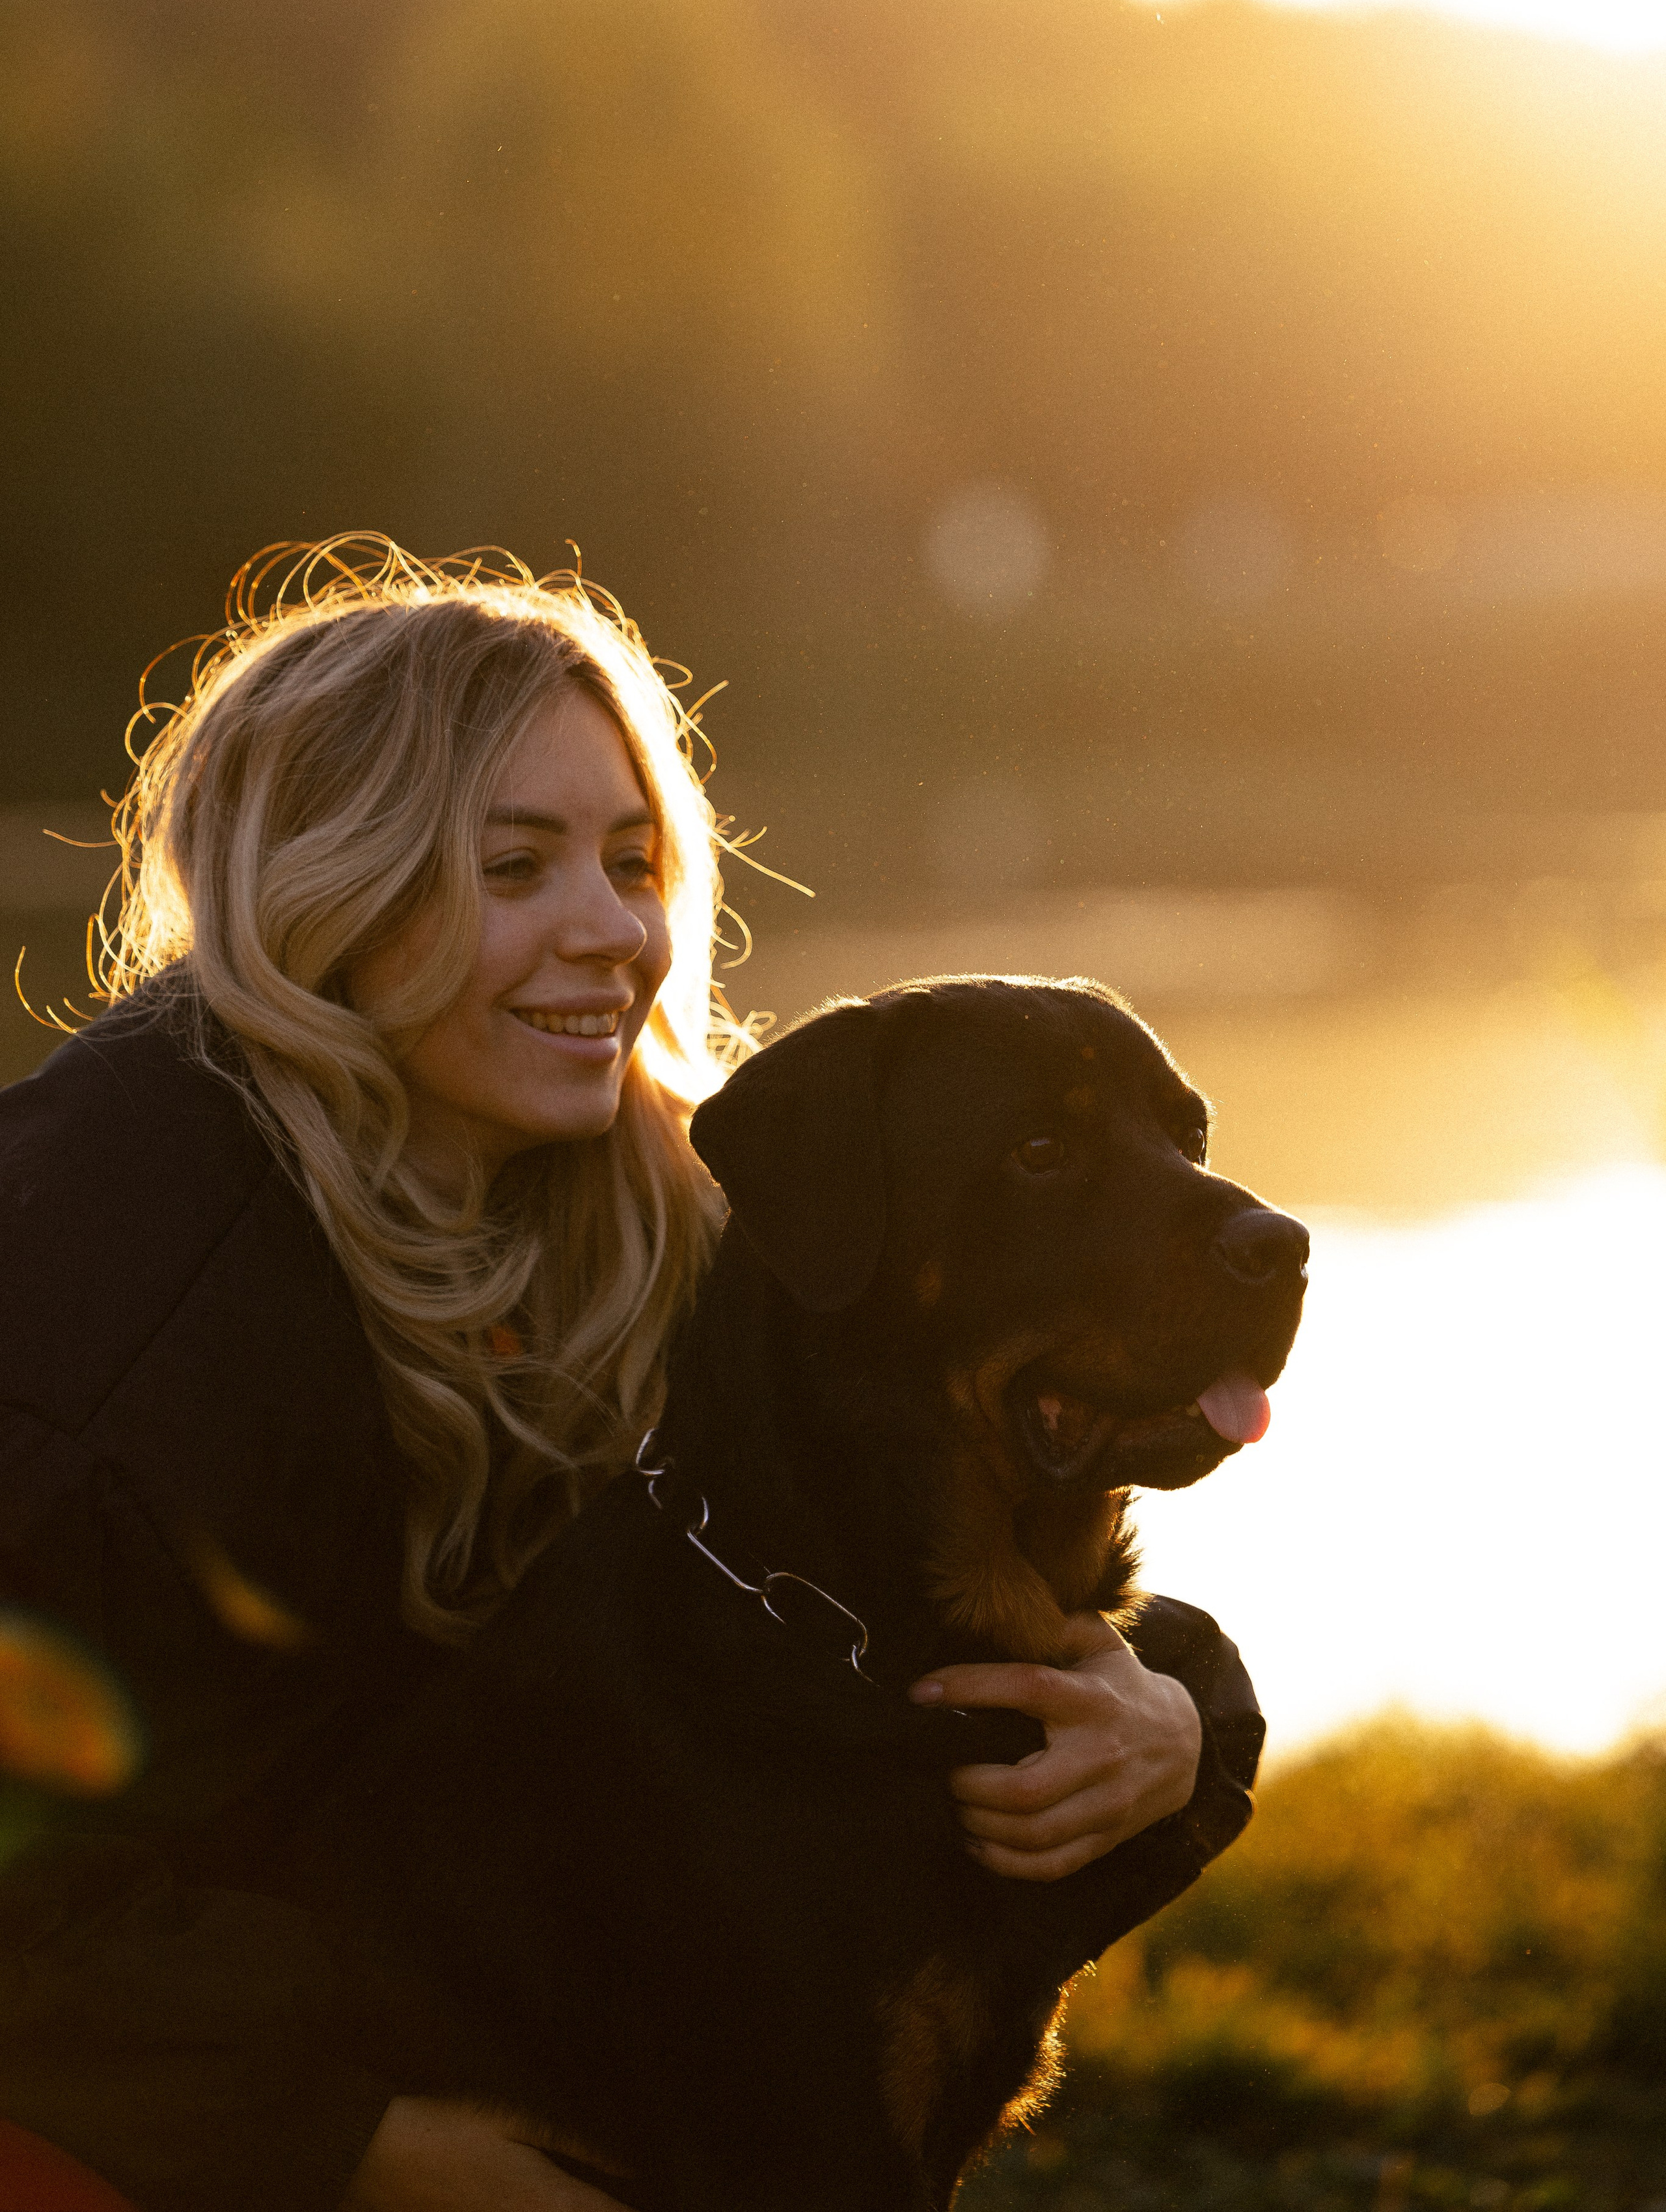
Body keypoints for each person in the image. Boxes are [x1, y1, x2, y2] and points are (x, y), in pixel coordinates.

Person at [0, 538, 1251, 2212]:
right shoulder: (105, 1270)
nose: (612, 934)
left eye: (632, 859)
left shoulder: (637, 1200)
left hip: (407, 2008)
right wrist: (371, 2147)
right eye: (514, 865)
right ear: (333, 886)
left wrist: (1177, 1721)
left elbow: (838, 1601)